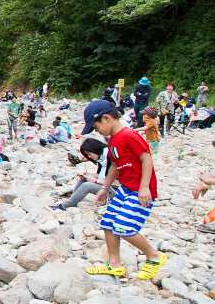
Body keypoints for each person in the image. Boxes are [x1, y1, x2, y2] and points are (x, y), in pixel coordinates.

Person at [82, 100, 167, 280]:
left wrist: (144, 187)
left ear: (106, 118)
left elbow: (147, 159)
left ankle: (154, 256)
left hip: (141, 191)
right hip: (126, 189)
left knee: (123, 227)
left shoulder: (129, 135)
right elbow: (115, 166)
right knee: (107, 223)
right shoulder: (112, 140)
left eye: (96, 127)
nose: (97, 131)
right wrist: (105, 188)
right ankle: (115, 265)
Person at [53, 138, 108, 210]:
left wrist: (95, 181)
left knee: (86, 185)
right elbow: (102, 175)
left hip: (112, 191)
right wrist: (88, 175)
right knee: (84, 178)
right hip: (105, 186)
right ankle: (73, 199)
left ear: (95, 149)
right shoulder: (102, 159)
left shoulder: (110, 159)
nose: (89, 157)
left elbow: (114, 181)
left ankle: (65, 206)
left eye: (89, 154)